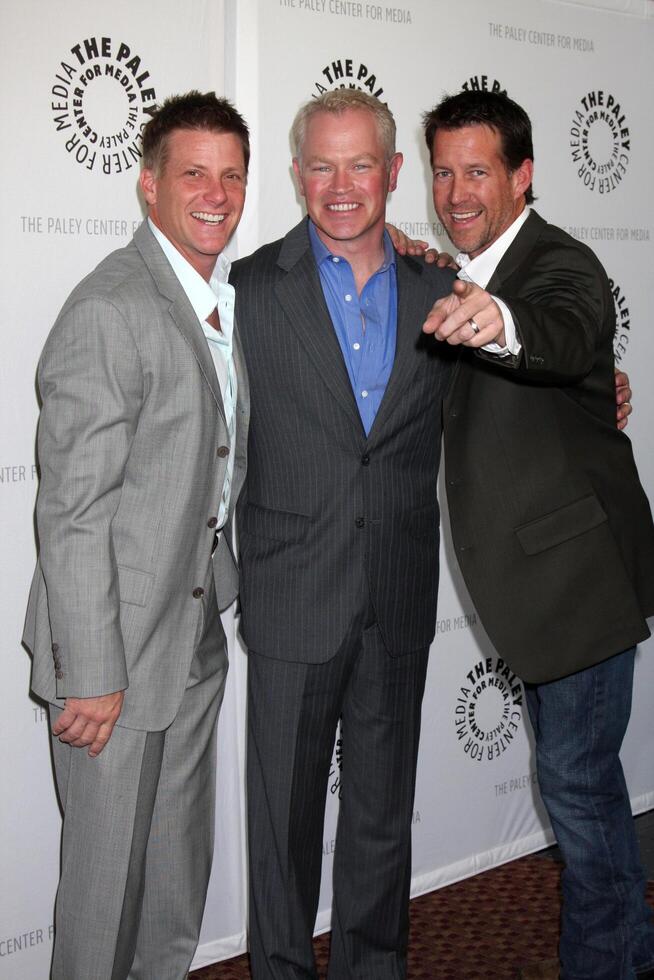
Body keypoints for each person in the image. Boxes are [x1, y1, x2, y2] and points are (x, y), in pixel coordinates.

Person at [422, 89, 654, 980]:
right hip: (543, 590)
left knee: (582, 797)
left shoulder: (561, 265)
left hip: (580, 586)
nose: (456, 192)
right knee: (583, 791)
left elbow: (561, 328)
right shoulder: (470, 268)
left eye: (477, 171)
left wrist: (503, 324)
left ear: (524, 176)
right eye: (443, 172)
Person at [22, 91, 250, 980]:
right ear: (148, 184)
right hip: (110, 659)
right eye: (193, 172)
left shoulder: (210, 300)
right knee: (102, 902)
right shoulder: (111, 308)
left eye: (231, 175)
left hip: (190, 639)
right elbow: (71, 510)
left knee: (169, 885)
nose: (215, 192)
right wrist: (94, 671)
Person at [230, 90, 455, 979]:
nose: (341, 185)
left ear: (394, 172)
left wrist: (605, 385)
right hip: (292, 595)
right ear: (296, 176)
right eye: (321, 166)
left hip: (396, 595)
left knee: (379, 819)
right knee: (282, 824)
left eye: (361, 163)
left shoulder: (444, 291)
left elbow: (501, 412)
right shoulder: (247, 286)